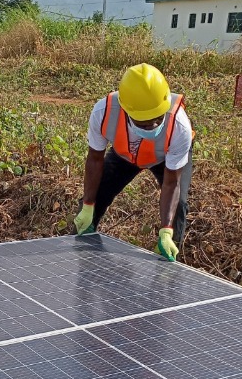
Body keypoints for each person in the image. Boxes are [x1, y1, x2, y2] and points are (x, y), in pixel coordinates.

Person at [72, 63, 193, 261]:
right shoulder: (104, 113)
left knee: (178, 206)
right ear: (126, 110)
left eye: (157, 118)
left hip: (165, 158)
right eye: (143, 123)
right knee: (96, 197)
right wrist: (87, 204)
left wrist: (166, 230)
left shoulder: (179, 127)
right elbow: (95, 159)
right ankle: (82, 257)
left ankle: (168, 257)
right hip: (125, 155)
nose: (152, 126)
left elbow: (172, 182)